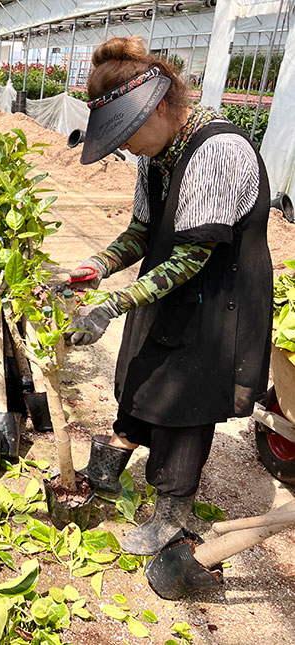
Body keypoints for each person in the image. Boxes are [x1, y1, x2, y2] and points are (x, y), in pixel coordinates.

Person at [67, 37, 272, 555]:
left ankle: (173, 517)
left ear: (161, 105)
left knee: (184, 401)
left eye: (129, 132)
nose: (127, 146)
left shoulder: (217, 149)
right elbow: (141, 231)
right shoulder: (154, 155)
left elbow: (193, 257)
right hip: (168, 291)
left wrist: (114, 304)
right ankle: (108, 468)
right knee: (141, 369)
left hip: (217, 303)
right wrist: (98, 267)